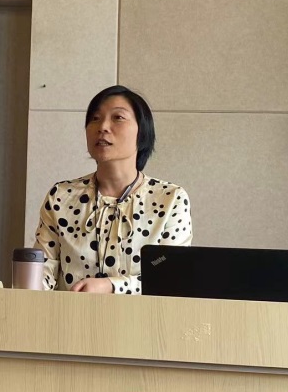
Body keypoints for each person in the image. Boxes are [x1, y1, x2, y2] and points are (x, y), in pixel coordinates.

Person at [35, 85, 193, 294]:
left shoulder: (170, 199)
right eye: (95, 118)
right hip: (70, 314)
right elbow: (42, 272)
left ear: (142, 131)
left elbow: (171, 278)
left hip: (144, 315)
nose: (103, 127)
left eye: (118, 117)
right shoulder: (61, 196)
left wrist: (112, 286)